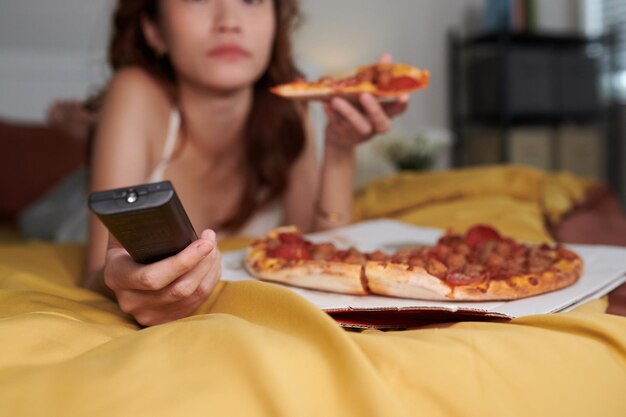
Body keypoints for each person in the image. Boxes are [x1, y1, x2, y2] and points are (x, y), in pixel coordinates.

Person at [83, 0, 409, 326]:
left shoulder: (289, 109)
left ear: (275, 23)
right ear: (153, 30)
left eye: (251, 0)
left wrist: (339, 151)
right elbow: (99, 273)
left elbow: (321, 255)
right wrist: (127, 282)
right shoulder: (134, 93)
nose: (229, 21)